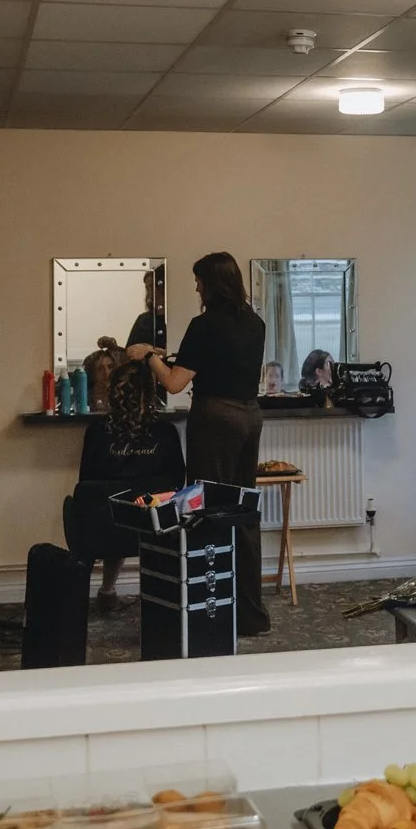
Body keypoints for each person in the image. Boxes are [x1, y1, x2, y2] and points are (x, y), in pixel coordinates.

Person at [130, 252, 271, 635]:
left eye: (199, 281)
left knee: (207, 511)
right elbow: (221, 364)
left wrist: (147, 358)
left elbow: (175, 383)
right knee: (242, 513)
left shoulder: (203, 324)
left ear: (212, 283)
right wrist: (169, 360)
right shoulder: (255, 323)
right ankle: (250, 613)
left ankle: (213, 609)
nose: (196, 287)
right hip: (249, 418)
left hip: (215, 420)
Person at [77, 359, 185, 612]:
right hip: (154, 526)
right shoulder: (165, 432)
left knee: (112, 507)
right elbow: (178, 483)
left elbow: (86, 483)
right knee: (154, 508)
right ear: (150, 391)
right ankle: (161, 593)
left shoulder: (97, 432)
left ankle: (107, 591)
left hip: (105, 528)